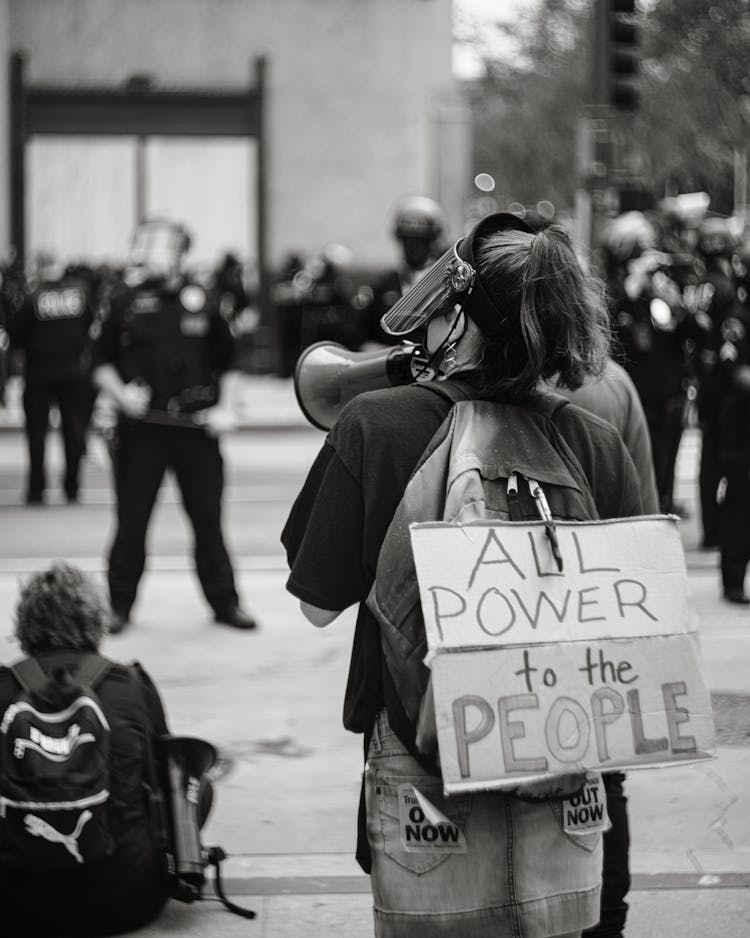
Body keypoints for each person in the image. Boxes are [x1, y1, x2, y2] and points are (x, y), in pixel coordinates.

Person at [283, 212, 645, 937]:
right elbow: (635, 630)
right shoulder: (596, 442)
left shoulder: (374, 424)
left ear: (461, 318)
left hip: (424, 761)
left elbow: (318, 607)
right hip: (564, 754)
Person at [91, 218, 256, 634]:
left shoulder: (205, 298)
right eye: (146, 244)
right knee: (131, 522)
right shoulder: (122, 299)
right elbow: (98, 362)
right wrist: (120, 394)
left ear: (182, 251)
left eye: (161, 245)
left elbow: (231, 360)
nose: (152, 252)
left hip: (196, 430)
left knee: (207, 520)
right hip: (142, 429)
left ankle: (225, 603)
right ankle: (119, 606)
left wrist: (226, 408)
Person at [0, 562, 176, 936]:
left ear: (24, 624)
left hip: (12, 904)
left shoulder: (3, 687)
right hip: (126, 899)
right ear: (95, 620)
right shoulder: (131, 683)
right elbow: (164, 774)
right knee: (193, 785)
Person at [7, 259, 95, 504]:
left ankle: (37, 489)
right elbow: (90, 326)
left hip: (39, 372)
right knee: (74, 431)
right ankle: (72, 487)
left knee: (36, 433)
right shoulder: (79, 295)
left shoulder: (32, 298)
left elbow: (16, 334)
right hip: (73, 371)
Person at [365, 194, 447, 347]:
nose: (413, 247)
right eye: (408, 240)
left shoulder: (446, 284)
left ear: (433, 241)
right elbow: (364, 336)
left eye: (421, 241)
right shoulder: (382, 286)